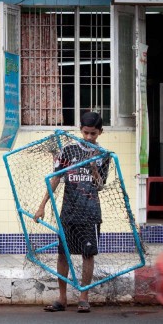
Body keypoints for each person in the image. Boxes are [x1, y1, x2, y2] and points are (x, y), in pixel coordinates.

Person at [34, 111, 109, 313]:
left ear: (100, 132)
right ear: (80, 130)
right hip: (69, 211)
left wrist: (93, 168)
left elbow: (101, 185)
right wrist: (42, 206)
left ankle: (83, 297)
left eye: (93, 134)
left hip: (90, 212)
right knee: (62, 255)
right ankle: (62, 297)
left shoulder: (103, 155)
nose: (88, 137)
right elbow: (56, 179)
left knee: (88, 254)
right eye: (85, 133)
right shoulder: (68, 150)